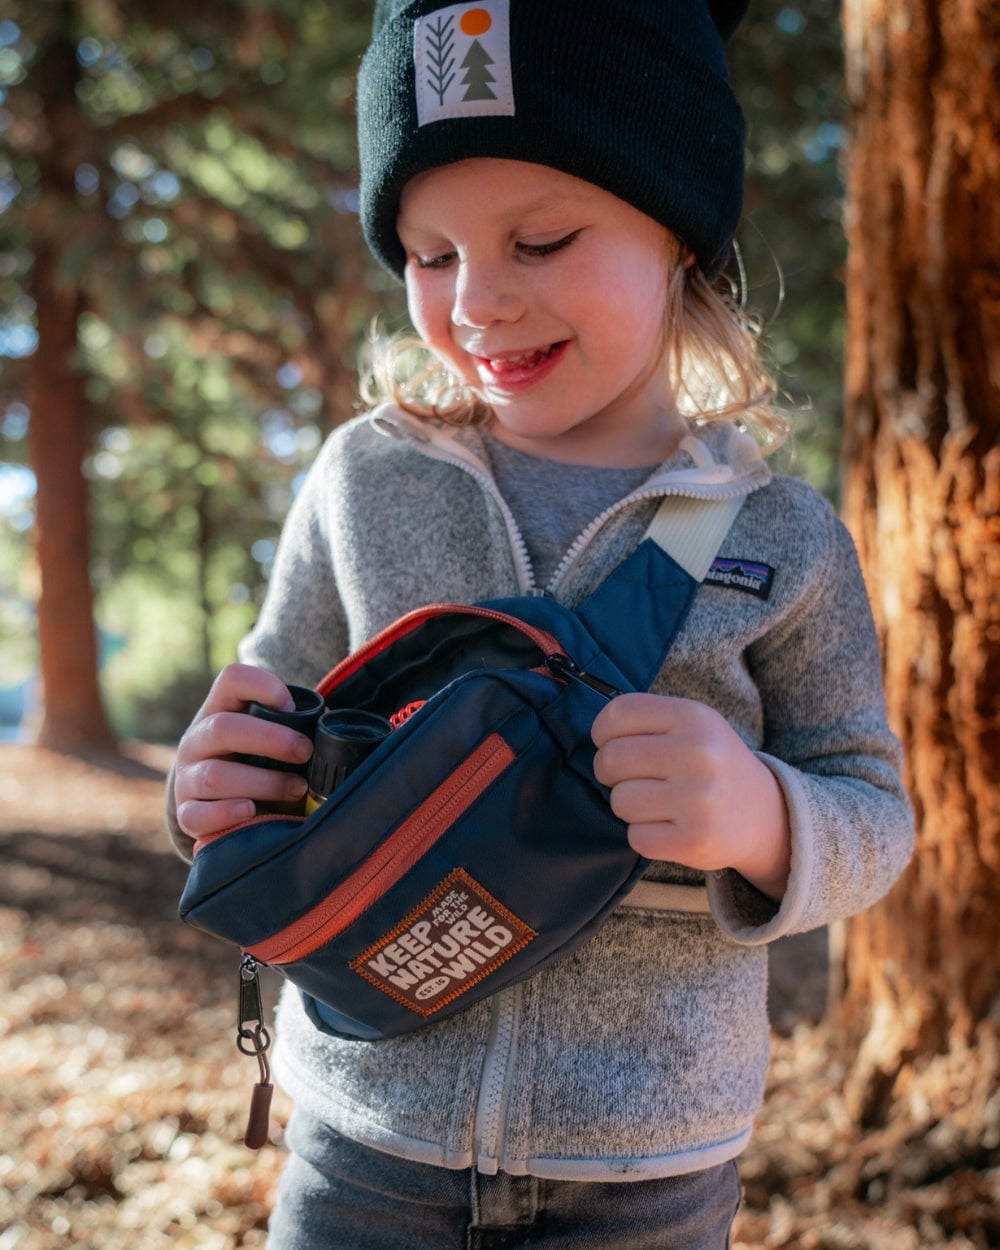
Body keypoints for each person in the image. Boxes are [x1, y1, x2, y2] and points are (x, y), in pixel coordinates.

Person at [167, 2, 914, 1246]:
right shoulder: (363, 480)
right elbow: (266, 711)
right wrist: (213, 782)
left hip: (649, 1161)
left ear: (680, 232)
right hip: (365, 1135)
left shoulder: (774, 534)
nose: (479, 303)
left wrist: (763, 816)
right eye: (429, 254)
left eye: (544, 236)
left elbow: (872, 808)